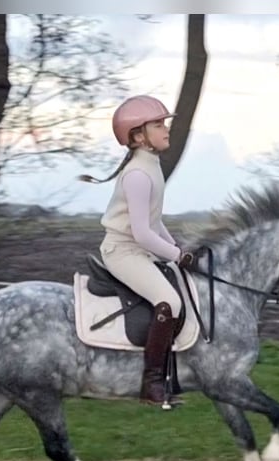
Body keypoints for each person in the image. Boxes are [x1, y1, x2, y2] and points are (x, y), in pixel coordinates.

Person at [79, 95, 195, 408]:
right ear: (138, 136)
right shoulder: (138, 175)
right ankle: (152, 385)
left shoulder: (151, 167)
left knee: (182, 288)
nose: (166, 129)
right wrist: (174, 255)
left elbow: (154, 223)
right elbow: (143, 233)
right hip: (123, 252)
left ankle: (170, 378)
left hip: (138, 249)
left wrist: (177, 251)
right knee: (169, 302)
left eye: (164, 123)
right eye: (158, 125)